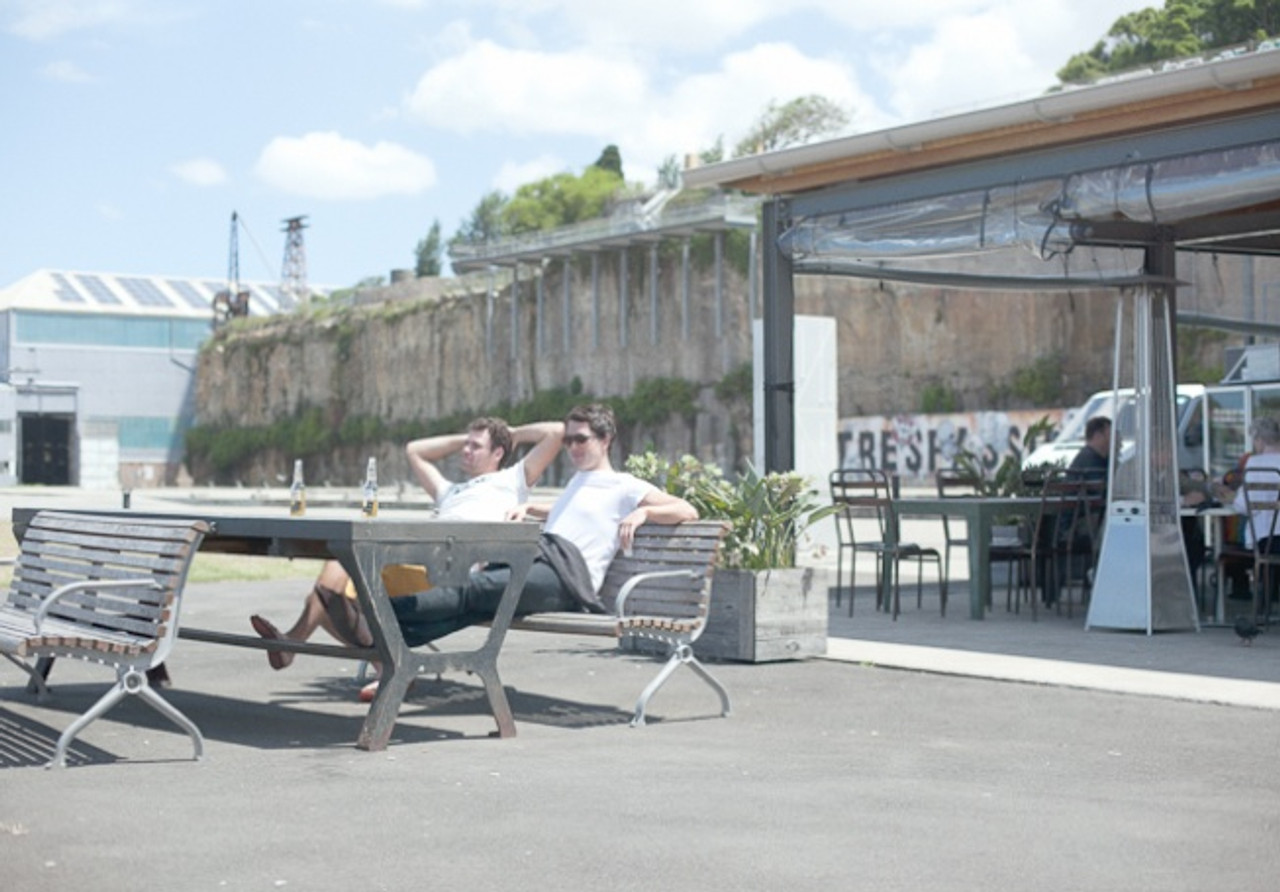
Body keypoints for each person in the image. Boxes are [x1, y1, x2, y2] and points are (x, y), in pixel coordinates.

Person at [375, 403, 697, 697]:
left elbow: (686, 509)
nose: (571, 447)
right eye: (568, 440)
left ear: (606, 439)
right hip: (541, 559)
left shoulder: (625, 486)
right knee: (477, 605)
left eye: (580, 439)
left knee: (473, 589)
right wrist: (532, 507)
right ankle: (390, 636)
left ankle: (381, 615)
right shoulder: (579, 482)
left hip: (566, 576)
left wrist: (645, 512)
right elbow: (575, 511)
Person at [249, 416, 565, 668]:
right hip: (416, 565)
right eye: (465, 446)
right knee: (335, 573)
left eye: (475, 447)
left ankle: (301, 644)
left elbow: (555, 432)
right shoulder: (450, 491)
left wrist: (510, 433)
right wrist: (468, 437)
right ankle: (367, 661)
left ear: (498, 453)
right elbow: (415, 449)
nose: (465, 451)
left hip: (451, 577)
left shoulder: (511, 480)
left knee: (337, 584)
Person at [1227, 416, 1280, 613]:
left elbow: (1242, 506)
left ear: (1259, 440)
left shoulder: (1255, 463)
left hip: (1267, 540)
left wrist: (1232, 496)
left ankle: (1261, 608)